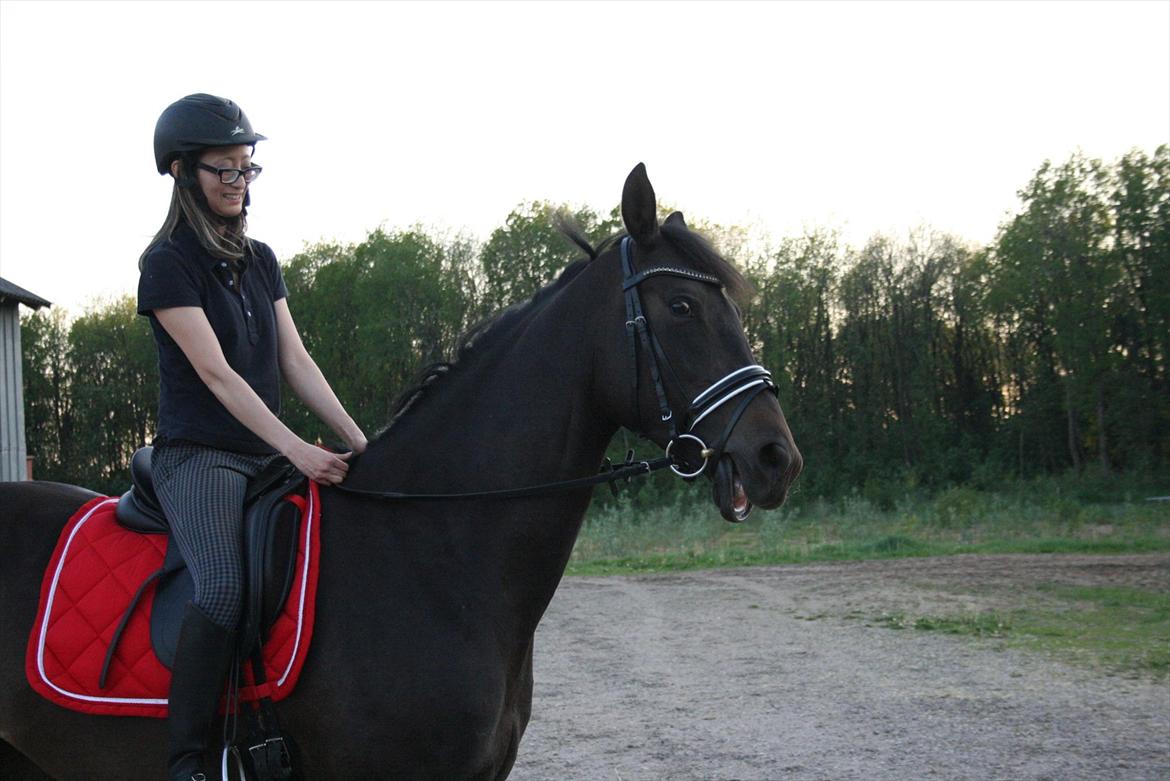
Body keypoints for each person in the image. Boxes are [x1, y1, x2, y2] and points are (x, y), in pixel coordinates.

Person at [137, 93, 367, 781]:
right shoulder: (167, 263)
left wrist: (360, 440)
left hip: (264, 454)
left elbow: (294, 361)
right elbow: (218, 376)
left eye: (247, 167)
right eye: (224, 169)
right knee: (221, 591)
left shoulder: (261, 259)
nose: (239, 182)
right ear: (183, 173)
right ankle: (185, 762)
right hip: (200, 456)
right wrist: (298, 449)